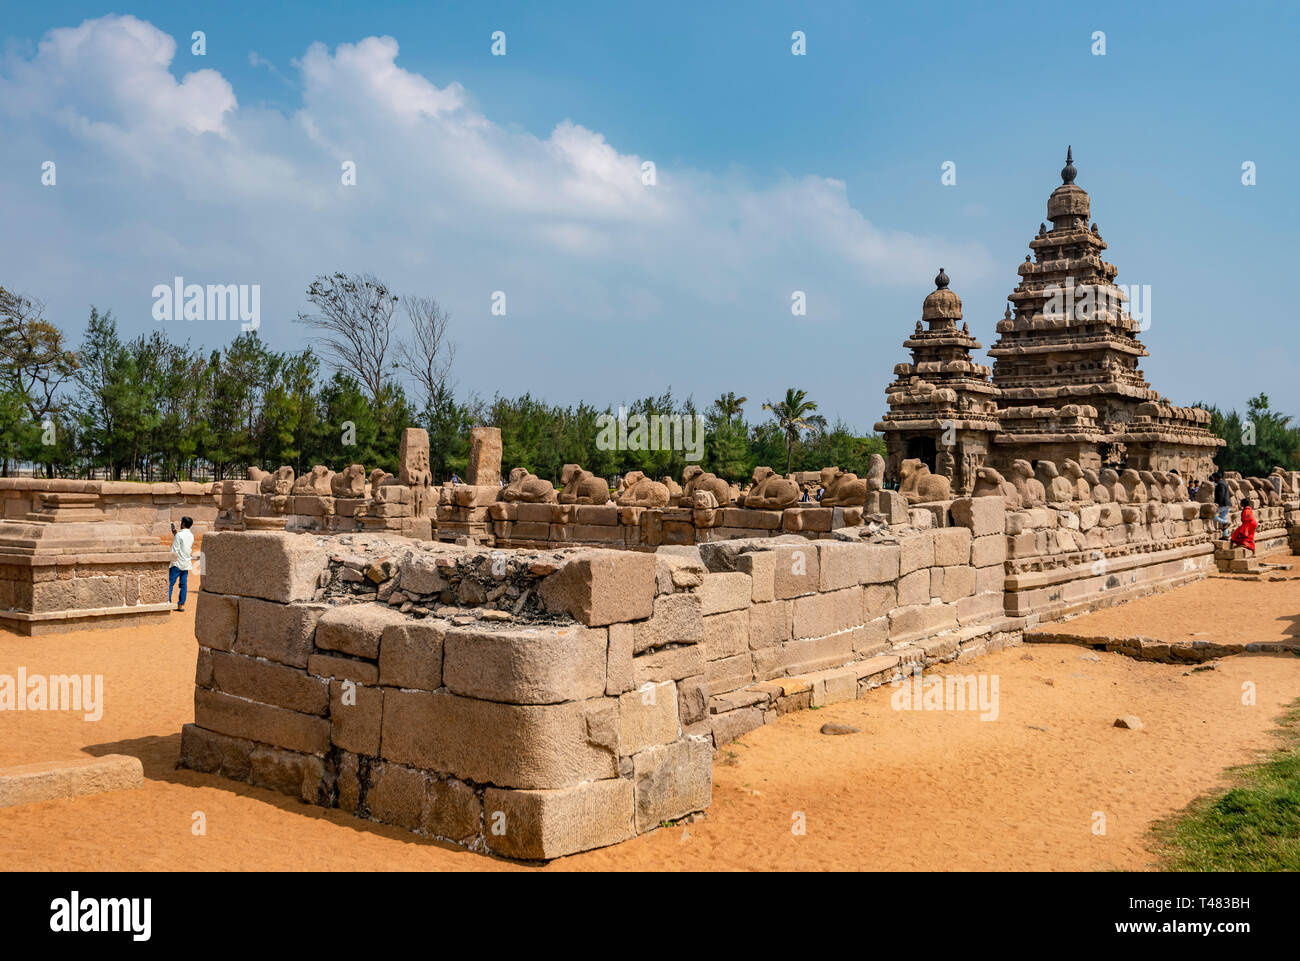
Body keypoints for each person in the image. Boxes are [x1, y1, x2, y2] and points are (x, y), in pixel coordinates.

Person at [169, 516, 195, 612]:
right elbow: (185, 545)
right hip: (186, 564)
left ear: (183, 524)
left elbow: (175, 550)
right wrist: (176, 534)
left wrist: (170, 564)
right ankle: (181, 605)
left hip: (177, 564)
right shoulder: (191, 535)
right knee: (183, 585)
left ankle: (168, 603)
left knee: (170, 584)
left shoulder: (179, 536)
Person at [1212, 472, 1232, 539]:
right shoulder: (1224, 483)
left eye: (1214, 478)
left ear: (1217, 478)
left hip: (1223, 504)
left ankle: (1226, 523)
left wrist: (1217, 505)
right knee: (1223, 517)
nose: (1214, 479)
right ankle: (1225, 535)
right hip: (1227, 504)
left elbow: (1221, 495)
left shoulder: (1220, 484)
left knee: (1212, 515)